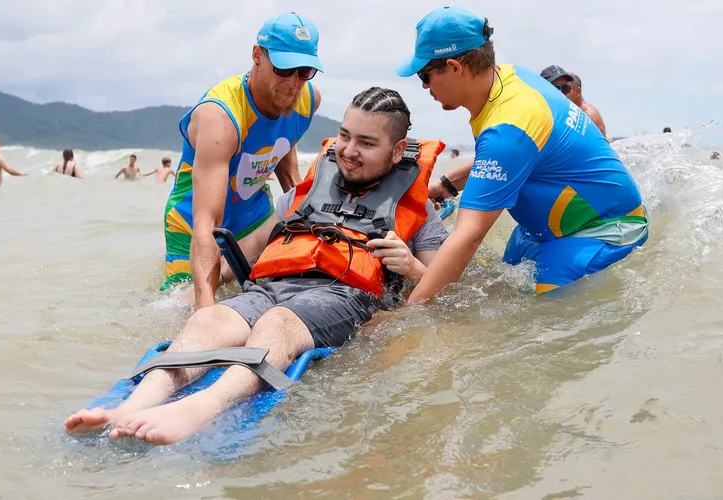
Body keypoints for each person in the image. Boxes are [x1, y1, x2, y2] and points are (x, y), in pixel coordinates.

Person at [64, 88, 449, 444]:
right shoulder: (307, 193)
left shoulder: (418, 213)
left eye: (366, 143)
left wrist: (411, 267)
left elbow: (447, 288)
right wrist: (202, 284)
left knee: (277, 323)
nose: (349, 150)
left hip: (340, 295)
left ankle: (203, 407)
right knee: (208, 319)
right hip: (271, 286)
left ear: (397, 151)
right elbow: (253, 245)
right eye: (345, 136)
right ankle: (130, 407)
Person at [395, 6, 649, 301]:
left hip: (601, 232)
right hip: (551, 226)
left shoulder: (508, 127)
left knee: (540, 317)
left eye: (424, 75)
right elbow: (511, 156)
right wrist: (447, 185)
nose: (424, 86)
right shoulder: (512, 78)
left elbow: (468, 236)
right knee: (496, 286)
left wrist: (406, 316)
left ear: (454, 67)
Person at [160, 12, 324, 310]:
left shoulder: (308, 100)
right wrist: (205, 312)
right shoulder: (220, 117)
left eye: (304, 72)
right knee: (180, 307)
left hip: (253, 214)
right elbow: (207, 223)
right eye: (284, 69)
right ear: (257, 55)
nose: (293, 82)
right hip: (193, 222)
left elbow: (284, 150)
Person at [539, 66, 611, 142]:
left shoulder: (587, 115)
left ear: (577, 92)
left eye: (565, 88)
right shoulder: (563, 112)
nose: (561, 93)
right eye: (555, 88)